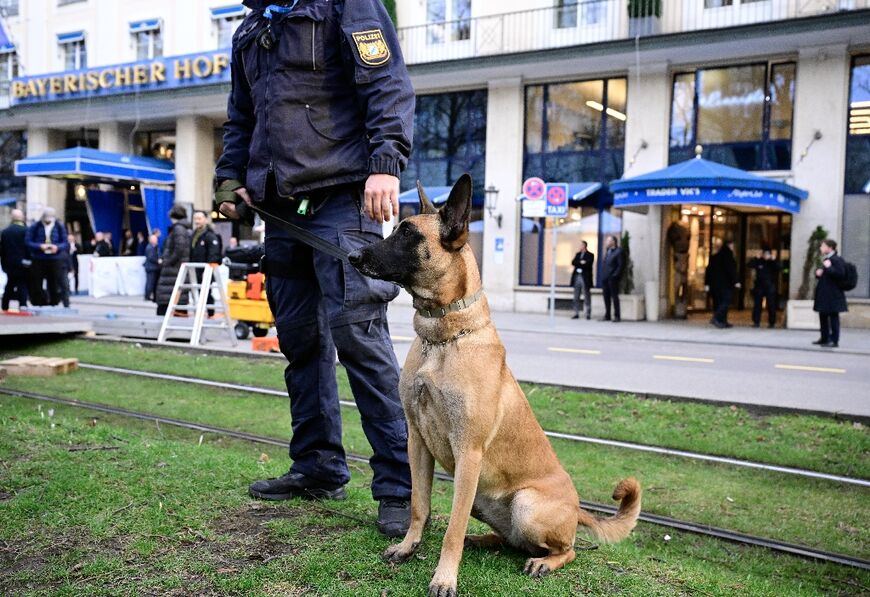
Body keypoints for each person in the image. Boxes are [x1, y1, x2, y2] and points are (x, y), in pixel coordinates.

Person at [214, 0, 414, 538]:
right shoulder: (251, 28)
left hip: (343, 200)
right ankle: (318, 466)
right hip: (280, 209)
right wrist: (229, 179)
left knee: (360, 339)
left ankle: (401, 487)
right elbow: (241, 116)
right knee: (301, 342)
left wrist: (386, 164)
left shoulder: (345, 4)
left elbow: (386, 82)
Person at [24, 207, 70, 308]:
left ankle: (54, 301)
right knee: (37, 282)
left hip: (55, 258)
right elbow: (28, 241)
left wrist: (57, 247)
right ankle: (39, 302)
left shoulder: (59, 226)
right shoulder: (35, 226)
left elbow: (65, 242)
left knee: (54, 281)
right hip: (39, 258)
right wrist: (39, 246)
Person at [155, 205, 192, 316]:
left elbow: (179, 248)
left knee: (167, 301)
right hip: (176, 270)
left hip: (173, 270)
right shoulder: (183, 228)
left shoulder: (178, 229)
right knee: (178, 300)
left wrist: (167, 261)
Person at [813, 239, 848, 348]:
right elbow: (828, 276)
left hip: (833, 295)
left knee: (833, 317)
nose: (821, 248)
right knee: (823, 315)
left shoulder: (836, 259)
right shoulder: (827, 259)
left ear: (830, 247)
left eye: (823, 246)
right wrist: (819, 274)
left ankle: (834, 340)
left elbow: (841, 274)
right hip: (825, 294)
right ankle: (824, 338)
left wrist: (829, 267)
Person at [190, 210, 223, 317]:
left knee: (206, 292)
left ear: (205, 220)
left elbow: (214, 253)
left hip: (206, 269)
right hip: (194, 268)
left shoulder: (210, 235)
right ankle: (198, 312)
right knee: (196, 291)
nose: (197, 221)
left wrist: (209, 269)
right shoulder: (194, 234)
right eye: (195, 219)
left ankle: (210, 313)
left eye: (199, 218)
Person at [705, 239, 739, 329]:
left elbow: (708, 270)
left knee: (718, 302)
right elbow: (731, 270)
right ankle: (716, 318)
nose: (733, 247)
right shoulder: (728, 256)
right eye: (732, 246)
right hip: (725, 284)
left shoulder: (715, 257)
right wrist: (736, 281)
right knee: (726, 301)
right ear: (729, 246)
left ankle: (722, 321)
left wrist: (707, 283)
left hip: (715, 285)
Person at [0, 208, 29, 311]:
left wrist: (3, 264)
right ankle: (23, 304)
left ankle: (5, 305)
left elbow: (2, 250)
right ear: (22, 217)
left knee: (10, 284)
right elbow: (28, 248)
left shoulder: (5, 232)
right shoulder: (26, 231)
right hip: (23, 263)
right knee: (22, 284)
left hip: (9, 263)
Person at [748, 248, 780, 328]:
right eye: (764, 254)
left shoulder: (772, 262)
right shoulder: (759, 261)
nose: (766, 256)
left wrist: (774, 260)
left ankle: (771, 323)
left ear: (770, 255)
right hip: (759, 287)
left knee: (771, 305)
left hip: (770, 287)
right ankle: (756, 322)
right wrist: (756, 258)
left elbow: (780, 268)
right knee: (757, 305)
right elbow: (749, 265)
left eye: (767, 254)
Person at [601, 235, 625, 322]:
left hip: (612, 278)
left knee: (614, 297)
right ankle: (607, 315)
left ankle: (617, 316)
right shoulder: (608, 251)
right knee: (606, 297)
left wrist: (615, 275)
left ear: (613, 242)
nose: (606, 242)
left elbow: (620, 265)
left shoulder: (619, 251)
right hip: (605, 277)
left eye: (608, 240)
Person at [570, 240, 594, 320]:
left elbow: (588, 264)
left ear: (584, 246)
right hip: (577, 276)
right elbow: (573, 262)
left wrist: (581, 263)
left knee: (586, 295)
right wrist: (581, 262)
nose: (580, 247)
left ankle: (588, 313)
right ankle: (576, 313)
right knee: (576, 296)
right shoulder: (578, 254)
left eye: (581, 245)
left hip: (585, 278)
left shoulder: (590, 255)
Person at [143, 234, 161, 302]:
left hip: (153, 267)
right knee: (150, 282)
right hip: (151, 267)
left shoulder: (154, 247)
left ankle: (149, 295)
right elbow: (151, 257)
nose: (157, 240)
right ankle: (147, 296)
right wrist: (157, 261)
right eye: (155, 239)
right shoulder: (150, 248)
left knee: (151, 282)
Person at [68, 228, 82, 296]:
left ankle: (76, 289)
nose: (71, 240)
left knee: (76, 275)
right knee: (67, 276)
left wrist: (75, 250)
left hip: (75, 261)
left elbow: (80, 251)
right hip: (68, 262)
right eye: (69, 239)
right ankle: (68, 289)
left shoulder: (77, 245)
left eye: (72, 239)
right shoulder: (66, 246)